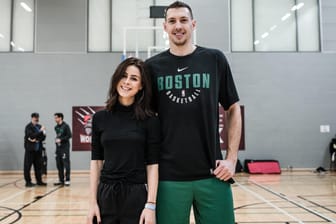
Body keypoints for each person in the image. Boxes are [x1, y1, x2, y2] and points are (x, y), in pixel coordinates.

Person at [145, 1, 242, 224]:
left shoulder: (214, 59)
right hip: (168, 178)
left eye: (183, 20)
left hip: (214, 174)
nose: (178, 26)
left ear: (193, 24)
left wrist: (232, 159)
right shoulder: (151, 67)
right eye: (172, 21)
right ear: (164, 27)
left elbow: (233, 108)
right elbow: (145, 121)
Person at [87, 57, 160, 224]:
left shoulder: (150, 120)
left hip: (136, 196)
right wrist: (92, 202)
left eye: (134, 78)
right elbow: (96, 162)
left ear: (141, 85)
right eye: (123, 76)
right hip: (105, 195)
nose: (127, 82)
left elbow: (153, 165)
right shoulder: (100, 118)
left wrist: (150, 205)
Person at [24, 112, 47, 187]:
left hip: (38, 150)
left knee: (38, 166)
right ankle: (28, 182)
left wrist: (36, 139)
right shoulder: (28, 127)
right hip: (30, 150)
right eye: (35, 117)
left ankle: (39, 181)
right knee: (27, 166)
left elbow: (43, 137)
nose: (36, 119)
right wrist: (39, 132)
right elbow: (31, 135)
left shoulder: (39, 126)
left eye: (37, 117)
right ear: (32, 118)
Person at [54, 113, 72, 186]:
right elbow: (58, 135)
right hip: (58, 148)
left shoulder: (66, 126)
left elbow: (69, 135)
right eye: (54, 118)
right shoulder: (56, 127)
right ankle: (61, 180)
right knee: (59, 164)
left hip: (65, 148)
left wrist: (61, 140)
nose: (55, 119)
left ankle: (67, 180)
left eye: (56, 118)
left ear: (60, 118)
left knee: (66, 164)